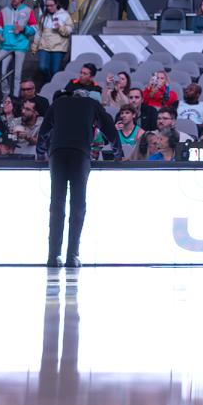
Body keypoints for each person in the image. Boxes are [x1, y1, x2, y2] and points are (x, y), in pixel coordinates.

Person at [42, 76, 118, 267]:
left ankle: (53, 256)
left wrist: (39, 153)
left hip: (57, 152)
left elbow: (43, 131)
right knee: (77, 205)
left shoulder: (58, 103)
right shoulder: (92, 104)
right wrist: (118, 153)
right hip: (80, 153)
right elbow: (109, 128)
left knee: (57, 204)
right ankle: (72, 256)